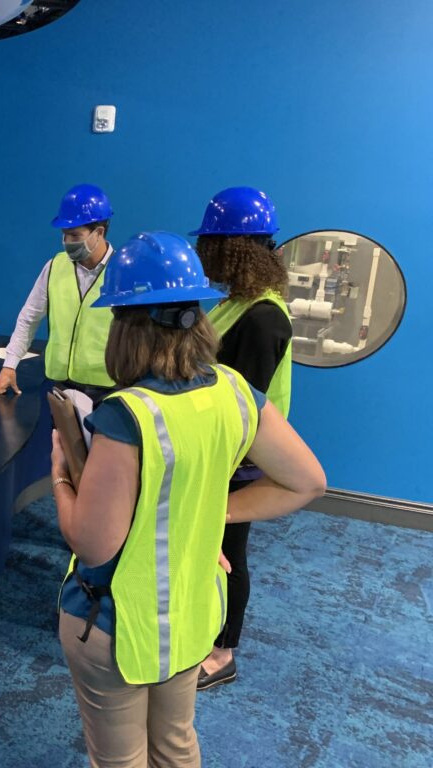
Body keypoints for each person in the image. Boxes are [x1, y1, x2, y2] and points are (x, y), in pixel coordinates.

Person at [51, 232, 324, 767]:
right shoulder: (237, 391)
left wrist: (61, 474)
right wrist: (216, 512)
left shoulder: (127, 416)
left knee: (119, 757)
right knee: (175, 742)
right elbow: (307, 481)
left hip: (119, 623)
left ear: (126, 327)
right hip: (195, 611)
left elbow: (93, 542)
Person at [190, 187, 293, 690]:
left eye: (208, 246)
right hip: (221, 454)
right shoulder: (237, 302)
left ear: (230, 248)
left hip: (238, 460)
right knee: (212, 545)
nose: (202, 256)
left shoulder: (263, 317)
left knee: (230, 550)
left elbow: (238, 406)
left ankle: (223, 652)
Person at [0, 184, 116, 404]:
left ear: (99, 232)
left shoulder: (123, 272)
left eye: (75, 235)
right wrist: (9, 365)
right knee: (58, 440)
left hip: (107, 392)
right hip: (60, 388)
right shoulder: (55, 267)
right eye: (64, 235)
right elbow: (29, 317)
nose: (67, 242)